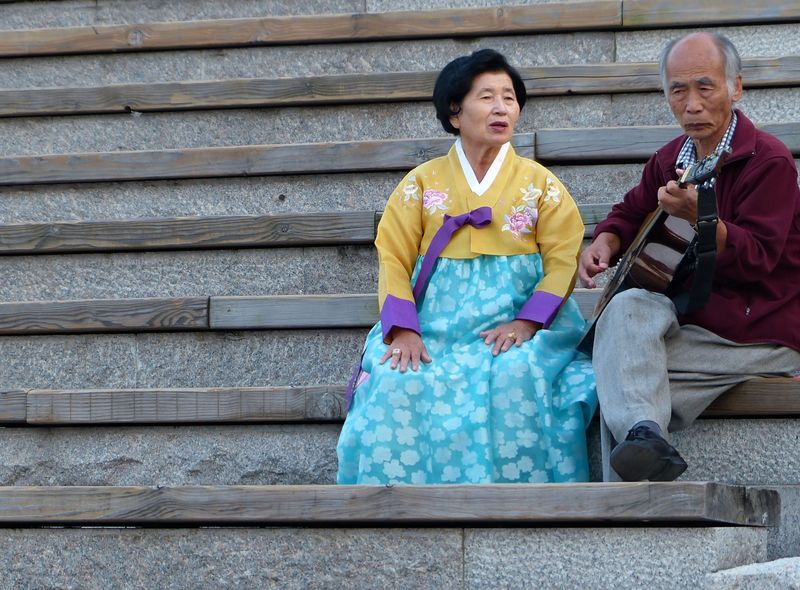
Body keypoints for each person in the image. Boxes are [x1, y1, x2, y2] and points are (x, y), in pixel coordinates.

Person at [336, 49, 597, 485]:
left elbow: (564, 260)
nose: (501, 108)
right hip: (434, 323)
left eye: (509, 98)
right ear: (455, 112)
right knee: (399, 379)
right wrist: (404, 330)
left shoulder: (541, 185)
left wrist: (528, 324)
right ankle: (393, 504)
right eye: (487, 97)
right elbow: (394, 258)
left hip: (516, 321)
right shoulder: (420, 183)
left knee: (517, 372)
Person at [579, 32, 800, 482]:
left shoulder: (769, 161)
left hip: (758, 332)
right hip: (693, 322)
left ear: (735, 88)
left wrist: (703, 219)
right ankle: (645, 436)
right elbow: (630, 210)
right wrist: (604, 241)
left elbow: (758, 258)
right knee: (623, 309)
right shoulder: (670, 158)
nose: (692, 104)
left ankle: (635, 468)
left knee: (610, 379)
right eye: (679, 90)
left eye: (705, 87)